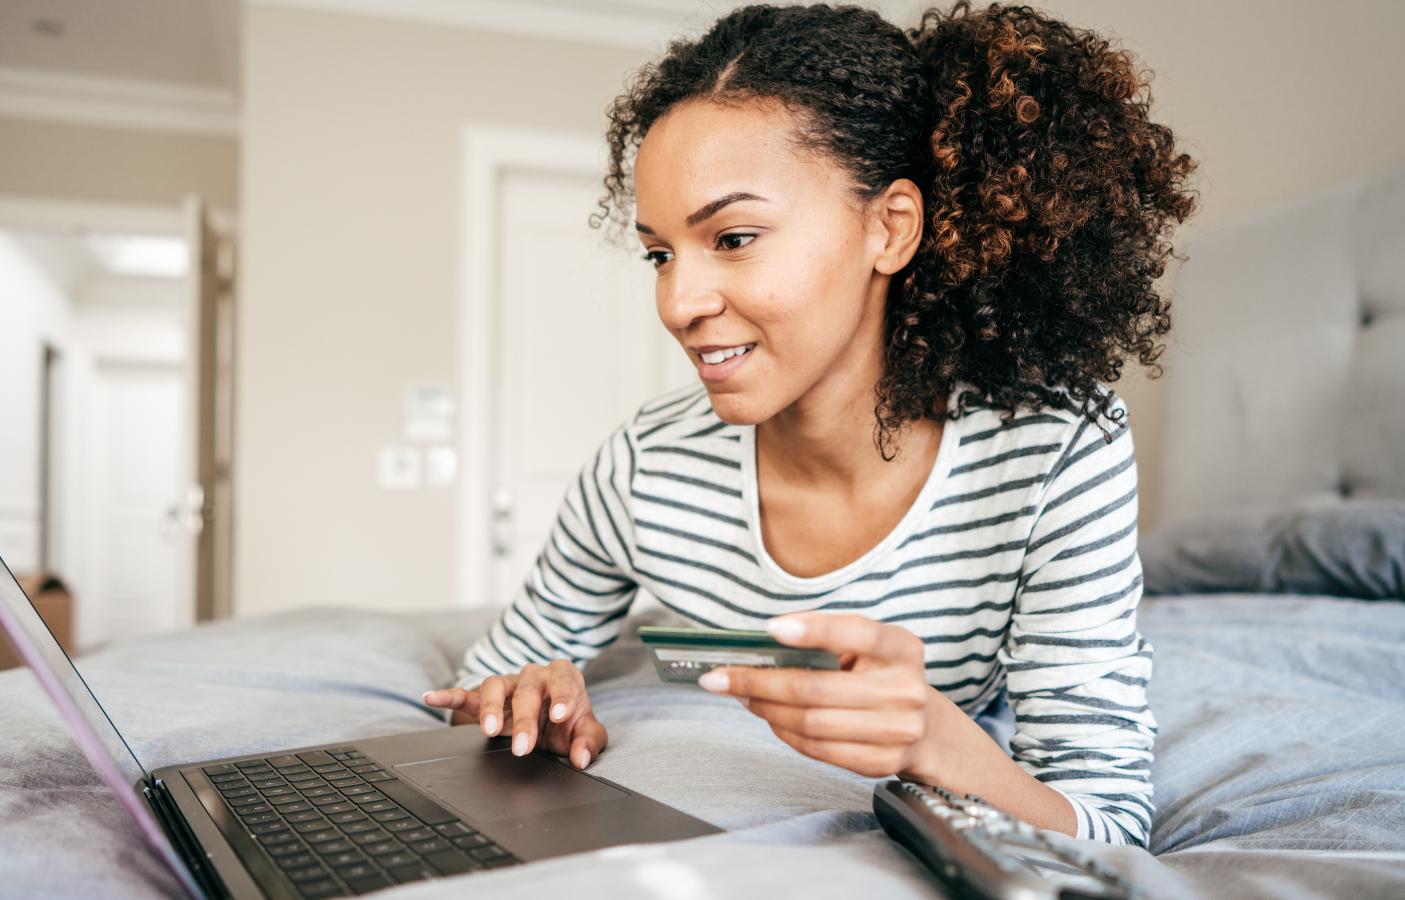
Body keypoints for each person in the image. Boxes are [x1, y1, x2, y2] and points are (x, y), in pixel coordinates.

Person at [425, 1, 1194, 846]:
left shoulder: (1055, 447)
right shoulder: (645, 465)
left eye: (736, 236)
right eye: (660, 253)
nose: (678, 304)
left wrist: (933, 738)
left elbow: (1110, 827)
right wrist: (523, 706)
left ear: (889, 227)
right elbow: (495, 676)